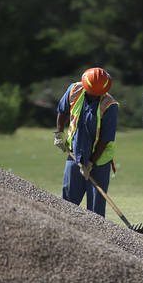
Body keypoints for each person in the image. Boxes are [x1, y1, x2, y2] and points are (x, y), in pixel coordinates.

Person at [54, 67, 120, 216]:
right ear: (86, 85)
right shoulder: (74, 90)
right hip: (75, 154)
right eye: (93, 93)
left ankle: (97, 237)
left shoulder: (110, 106)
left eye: (99, 94)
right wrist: (59, 134)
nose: (95, 96)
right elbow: (62, 111)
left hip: (99, 160)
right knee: (67, 203)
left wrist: (90, 163)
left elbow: (105, 139)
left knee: (95, 210)